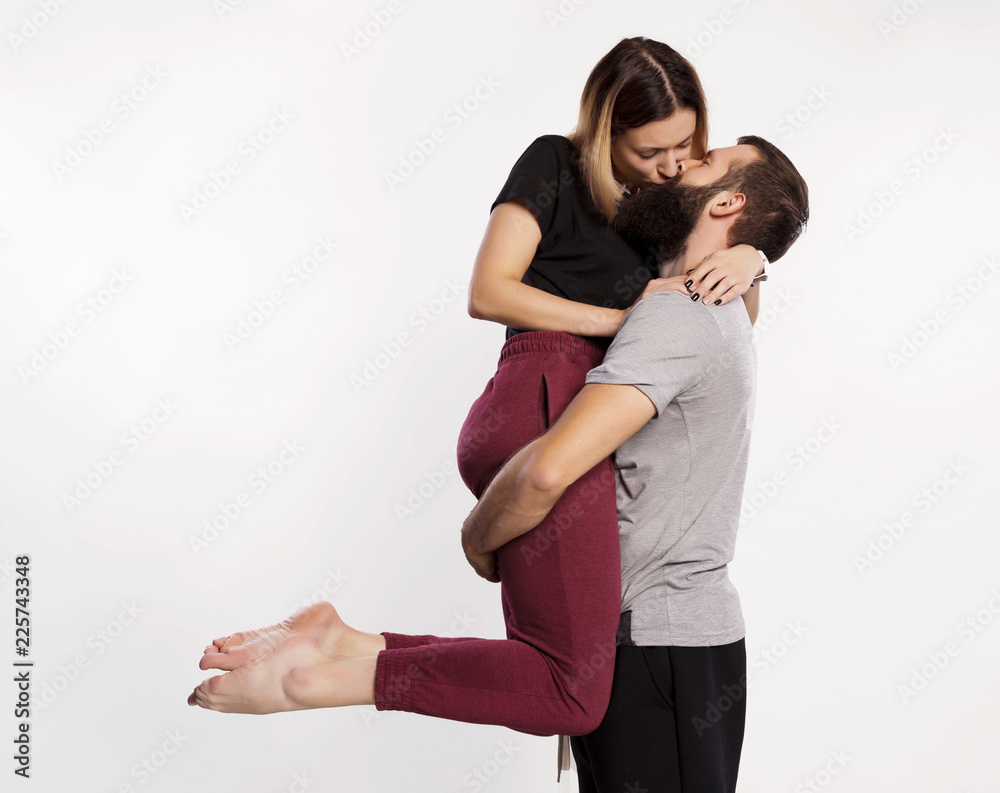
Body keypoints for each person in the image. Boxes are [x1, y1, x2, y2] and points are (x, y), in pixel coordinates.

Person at [189, 36, 771, 773]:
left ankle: (343, 643)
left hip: (571, 402)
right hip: (544, 393)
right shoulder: (554, 164)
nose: (672, 164)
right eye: (650, 149)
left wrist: (755, 257)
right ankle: (319, 678)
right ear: (604, 130)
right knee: (572, 690)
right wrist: (618, 319)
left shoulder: (660, 204)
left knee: (561, 669)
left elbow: (718, 315)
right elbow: (489, 290)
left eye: (687, 145)